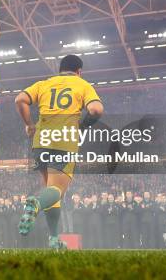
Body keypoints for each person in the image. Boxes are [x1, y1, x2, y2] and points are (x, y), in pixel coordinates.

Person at [14, 54, 104, 249]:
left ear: (60, 69)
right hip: (64, 141)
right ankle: (36, 204)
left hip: (41, 141)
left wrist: (29, 125)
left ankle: (54, 239)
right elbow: (96, 109)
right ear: (79, 71)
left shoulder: (44, 84)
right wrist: (81, 126)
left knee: (50, 188)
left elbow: (20, 99)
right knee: (57, 190)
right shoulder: (82, 85)